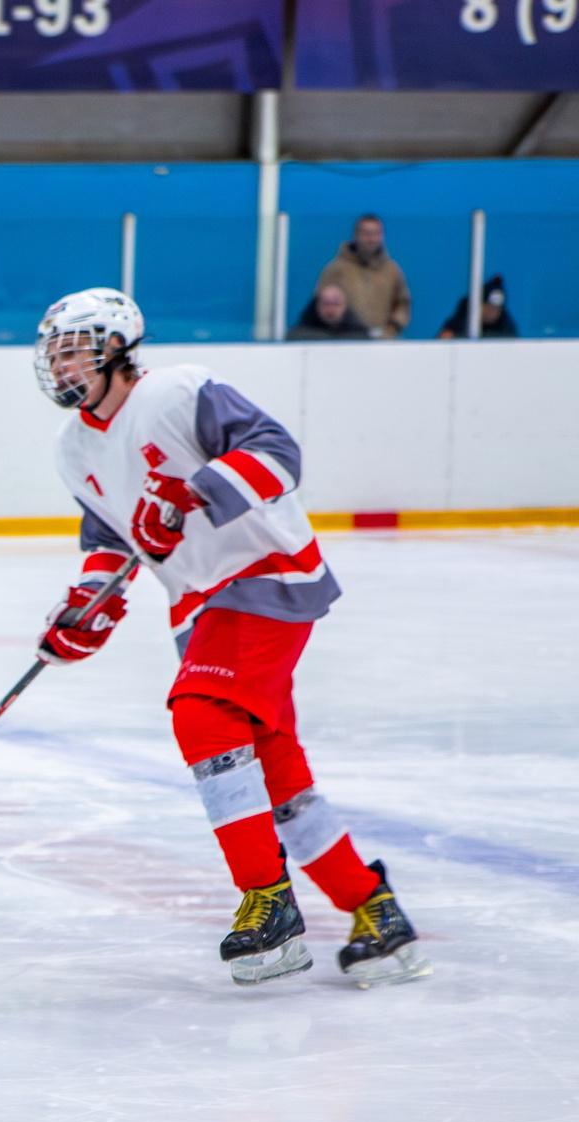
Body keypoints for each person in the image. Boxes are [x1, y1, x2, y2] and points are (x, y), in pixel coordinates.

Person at [29, 288, 427, 986]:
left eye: (74, 351)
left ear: (116, 348)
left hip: (264, 576)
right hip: (200, 606)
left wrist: (190, 494)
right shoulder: (71, 450)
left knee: (201, 712)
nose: (61, 367)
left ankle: (266, 900)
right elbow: (109, 542)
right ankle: (374, 911)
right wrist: (85, 608)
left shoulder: (180, 392)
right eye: (54, 355)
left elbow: (276, 452)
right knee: (276, 770)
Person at [314, 215, 410, 339]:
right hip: (344, 343)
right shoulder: (335, 270)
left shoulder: (392, 271)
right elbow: (320, 302)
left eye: (376, 233)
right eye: (366, 233)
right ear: (356, 235)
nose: (371, 239)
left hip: (382, 344)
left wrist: (392, 329)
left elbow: (403, 304)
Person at [438, 274, 518, 339]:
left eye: (497, 308)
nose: (492, 311)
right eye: (488, 306)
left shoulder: (506, 327)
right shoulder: (460, 324)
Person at [287, 281, 369, 341]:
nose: (330, 309)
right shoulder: (299, 337)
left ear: (345, 306)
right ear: (316, 305)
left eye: (336, 303)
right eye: (326, 303)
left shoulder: (360, 338)